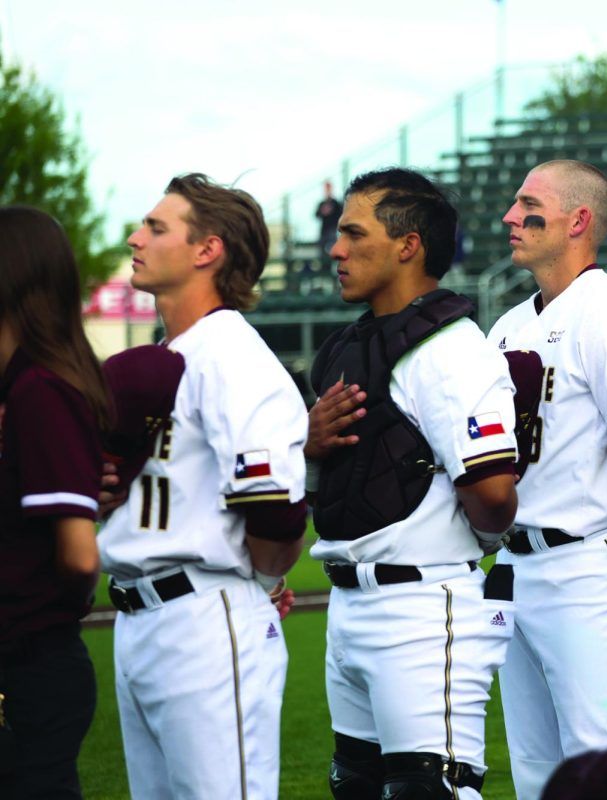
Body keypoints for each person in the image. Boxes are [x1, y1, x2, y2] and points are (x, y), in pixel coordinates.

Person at [302, 168, 520, 799]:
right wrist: (308, 445)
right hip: (349, 602)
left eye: (353, 233)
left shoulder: (451, 350)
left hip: (422, 605)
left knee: (431, 790)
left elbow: (494, 499)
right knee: (360, 787)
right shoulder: (354, 346)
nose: (336, 250)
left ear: (408, 245)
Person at [99, 174, 310, 799]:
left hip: (203, 618)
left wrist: (262, 584)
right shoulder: (169, 352)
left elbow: (274, 511)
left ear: (207, 250)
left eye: (156, 227)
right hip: (138, 615)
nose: (136, 237)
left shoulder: (233, 357)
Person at [488, 159, 607, 799]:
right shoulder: (508, 324)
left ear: (579, 220)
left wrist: (598, 495)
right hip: (517, 564)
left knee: (600, 772)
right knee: (536, 777)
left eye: (528, 204)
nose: (511, 217)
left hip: (586, 562)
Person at [0, 207, 105, 799]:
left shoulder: (41, 388)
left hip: (32, 664)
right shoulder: (18, 386)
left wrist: (39, 616)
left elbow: (79, 557)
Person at [315, 179, 343, 282]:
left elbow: (340, 215)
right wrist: (323, 212)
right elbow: (316, 215)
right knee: (322, 255)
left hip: (332, 232)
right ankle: (324, 273)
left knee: (331, 254)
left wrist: (330, 212)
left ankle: (331, 275)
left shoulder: (335, 203)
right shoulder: (322, 203)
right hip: (323, 232)